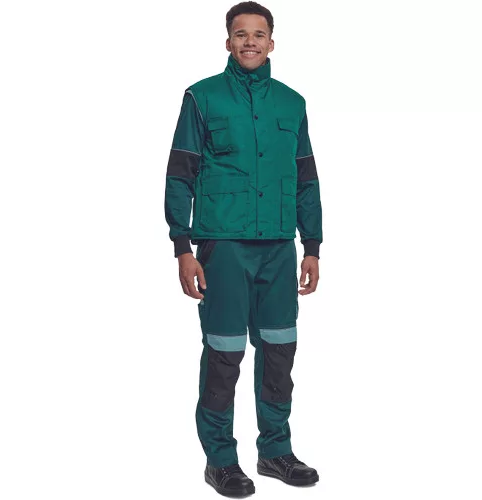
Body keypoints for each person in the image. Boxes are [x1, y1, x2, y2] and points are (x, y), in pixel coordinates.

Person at [164, 2, 322, 496]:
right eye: (240, 33)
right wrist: (182, 246)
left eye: (258, 34)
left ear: (272, 42)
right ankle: (220, 460)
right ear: (228, 41)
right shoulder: (202, 97)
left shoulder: (292, 103)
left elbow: (306, 179)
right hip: (224, 246)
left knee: (279, 351)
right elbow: (180, 173)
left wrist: (312, 244)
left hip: (278, 247)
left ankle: (275, 452)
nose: (249, 41)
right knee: (224, 351)